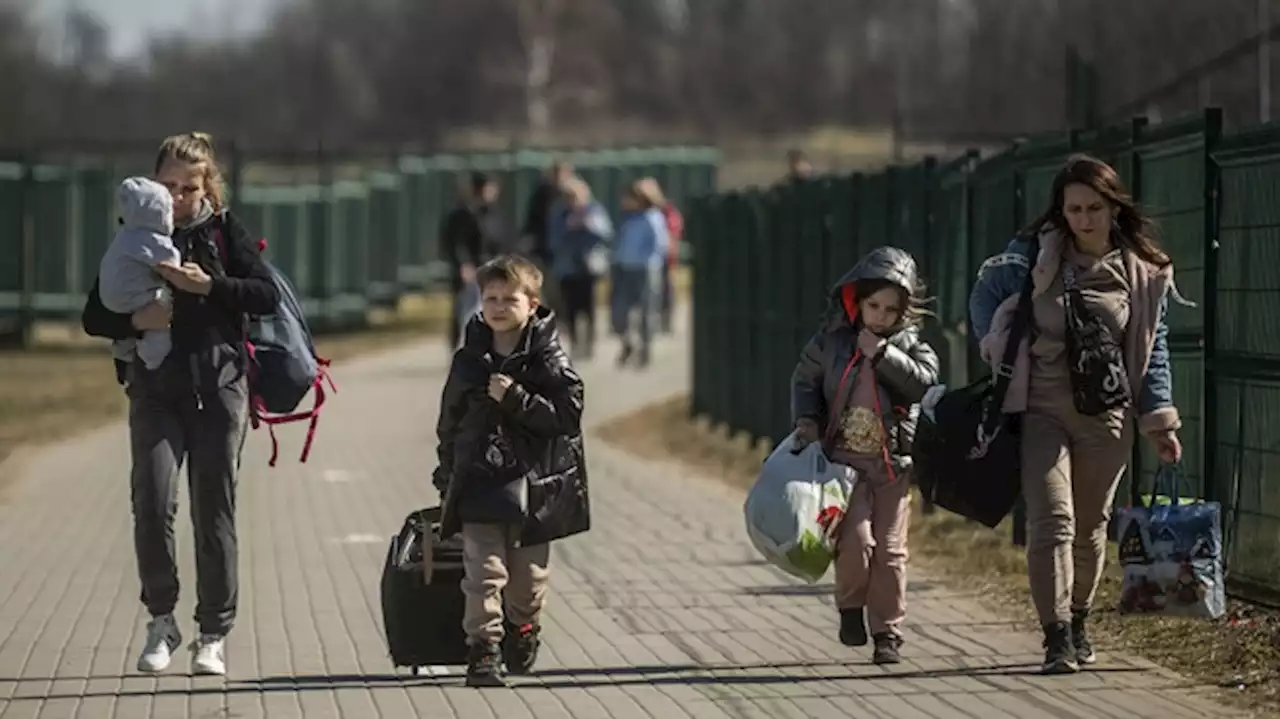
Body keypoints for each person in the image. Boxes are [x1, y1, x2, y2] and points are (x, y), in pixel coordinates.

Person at [969, 154, 1187, 675]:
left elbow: (1153, 350)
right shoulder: (1029, 257)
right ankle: (1055, 636)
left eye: (1094, 207)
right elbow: (984, 297)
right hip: (1039, 407)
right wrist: (994, 342)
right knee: (1052, 521)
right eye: (1074, 209)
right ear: (1060, 211)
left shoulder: (1143, 272)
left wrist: (1160, 422)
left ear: (1114, 208)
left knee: (1091, 527)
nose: (1084, 219)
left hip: (1106, 416)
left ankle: (1081, 617)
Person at [80, 132, 280, 676]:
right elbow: (93, 315)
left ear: (206, 187)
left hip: (218, 388)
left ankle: (212, 632)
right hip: (154, 389)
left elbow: (267, 295)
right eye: (167, 185)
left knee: (212, 511)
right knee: (152, 499)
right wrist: (134, 323)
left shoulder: (222, 232)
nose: (177, 197)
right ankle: (161, 619)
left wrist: (209, 286)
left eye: (188, 187)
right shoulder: (135, 236)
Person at [432, 254, 591, 687]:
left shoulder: (549, 357)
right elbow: (450, 420)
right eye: (491, 298)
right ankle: (483, 651)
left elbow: (567, 415)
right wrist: (447, 470)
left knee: (527, 581)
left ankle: (523, 627)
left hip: (536, 484)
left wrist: (516, 399)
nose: (499, 307)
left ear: (533, 304)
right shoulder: (469, 360)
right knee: (483, 571)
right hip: (480, 479)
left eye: (509, 299)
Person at [790, 246, 939, 665]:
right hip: (844, 467)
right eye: (873, 306)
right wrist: (806, 421)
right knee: (856, 543)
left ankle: (888, 632)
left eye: (891, 310)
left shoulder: (910, 346)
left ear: (903, 312)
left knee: (891, 551)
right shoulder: (831, 342)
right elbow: (805, 378)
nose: (880, 317)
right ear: (856, 301)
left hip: (894, 466)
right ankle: (851, 606)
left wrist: (884, 353)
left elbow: (925, 383)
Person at [98, 176, 181, 372]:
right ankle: (154, 358)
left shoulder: (126, 235)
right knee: (163, 306)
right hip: (132, 296)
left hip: (111, 297)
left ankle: (123, 348)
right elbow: (172, 266)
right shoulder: (150, 239)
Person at [441, 172, 508, 350]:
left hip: (491, 268)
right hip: (470, 270)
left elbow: (501, 241)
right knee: (464, 309)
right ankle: (460, 347)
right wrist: (463, 264)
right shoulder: (462, 214)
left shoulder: (494, 213)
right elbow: (456, 243)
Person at [547, 177, 612, 359]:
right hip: (567, 268)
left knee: (589, 307)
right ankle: (575, 344)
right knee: (571, 308)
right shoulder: (560, 214)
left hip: (589, 267)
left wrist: (588, 225)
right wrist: (567, 228)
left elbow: (606, 235)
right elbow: (553, 241)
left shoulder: (595, 211)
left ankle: (590, 343)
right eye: (570, 197)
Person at [609, 179, 669, 368]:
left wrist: (646, 260)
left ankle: (645, 349)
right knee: (619, 310)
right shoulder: (627, 219)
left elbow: (660, 244)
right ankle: (627, 343)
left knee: (646, 311)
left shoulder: (652, 218)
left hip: (645, 269)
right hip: (624, 267)